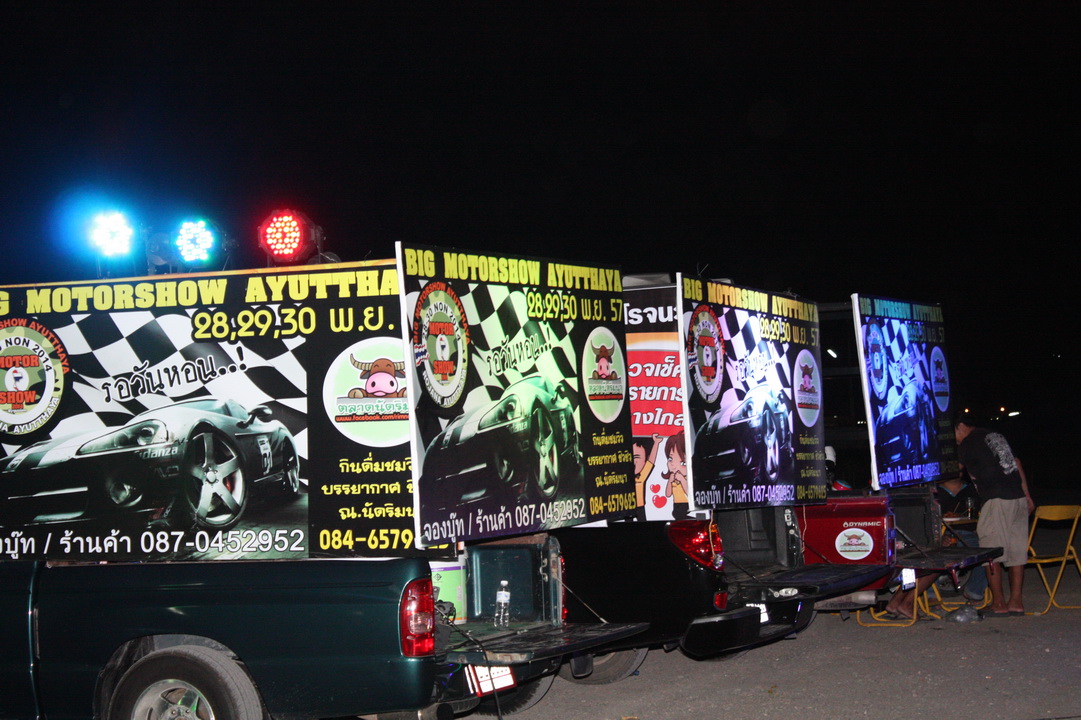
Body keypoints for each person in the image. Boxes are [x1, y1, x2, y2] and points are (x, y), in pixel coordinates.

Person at [954, 413, 1035, 617]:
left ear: (960, 426)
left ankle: (998, 602)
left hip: (996, 499)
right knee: (1016, 551)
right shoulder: (993, 435)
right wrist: (1026, 495)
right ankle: (1016, 602)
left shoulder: (968, 442)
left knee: (990, 551)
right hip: (1017, 497)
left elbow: (954, 471)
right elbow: (1016, 462)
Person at [936, 473, 988, 602]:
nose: (955, 468)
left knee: (988, 551)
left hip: (969, 532)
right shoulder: (935, 491)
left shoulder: (973, 489)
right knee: (928, 552)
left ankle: (974, 591)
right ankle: (932, 595)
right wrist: (939, 537)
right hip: (943, 533)